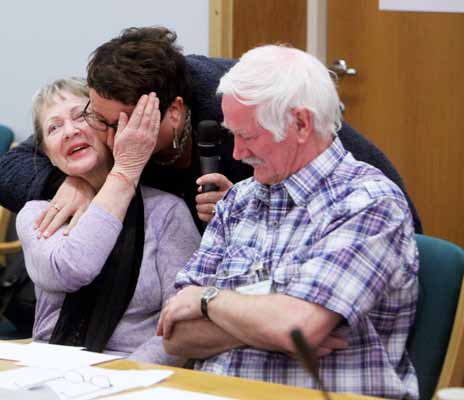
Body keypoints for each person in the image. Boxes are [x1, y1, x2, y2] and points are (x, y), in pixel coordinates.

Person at [157, 45, 419, 400]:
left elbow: (298, 327)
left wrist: (209, 300)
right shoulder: (238, 199)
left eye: (248, 136)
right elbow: (176, 335)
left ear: (300, 123)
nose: (236, 154)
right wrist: (270, 321)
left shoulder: (367, 202)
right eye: (232, 134)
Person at [0, 26, 422, 236]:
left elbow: (335, 186)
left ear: (176, 114)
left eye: (122, 126)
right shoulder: (109, 106)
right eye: (99, 118)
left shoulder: (240, 111)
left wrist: (245, 209)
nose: (110, 139)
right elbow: (10, 165)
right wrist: (67, 181)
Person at [16, 78, 200, 364]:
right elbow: (73, 267)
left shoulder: (167, 212)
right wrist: (122, 177)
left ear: (110, 128)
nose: (70, 131)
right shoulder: (38, 214)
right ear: (49, 156)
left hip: (138, 374)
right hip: (49, 369)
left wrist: (123, 378)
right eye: (54, 127)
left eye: (81, 117)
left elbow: (182, 325)